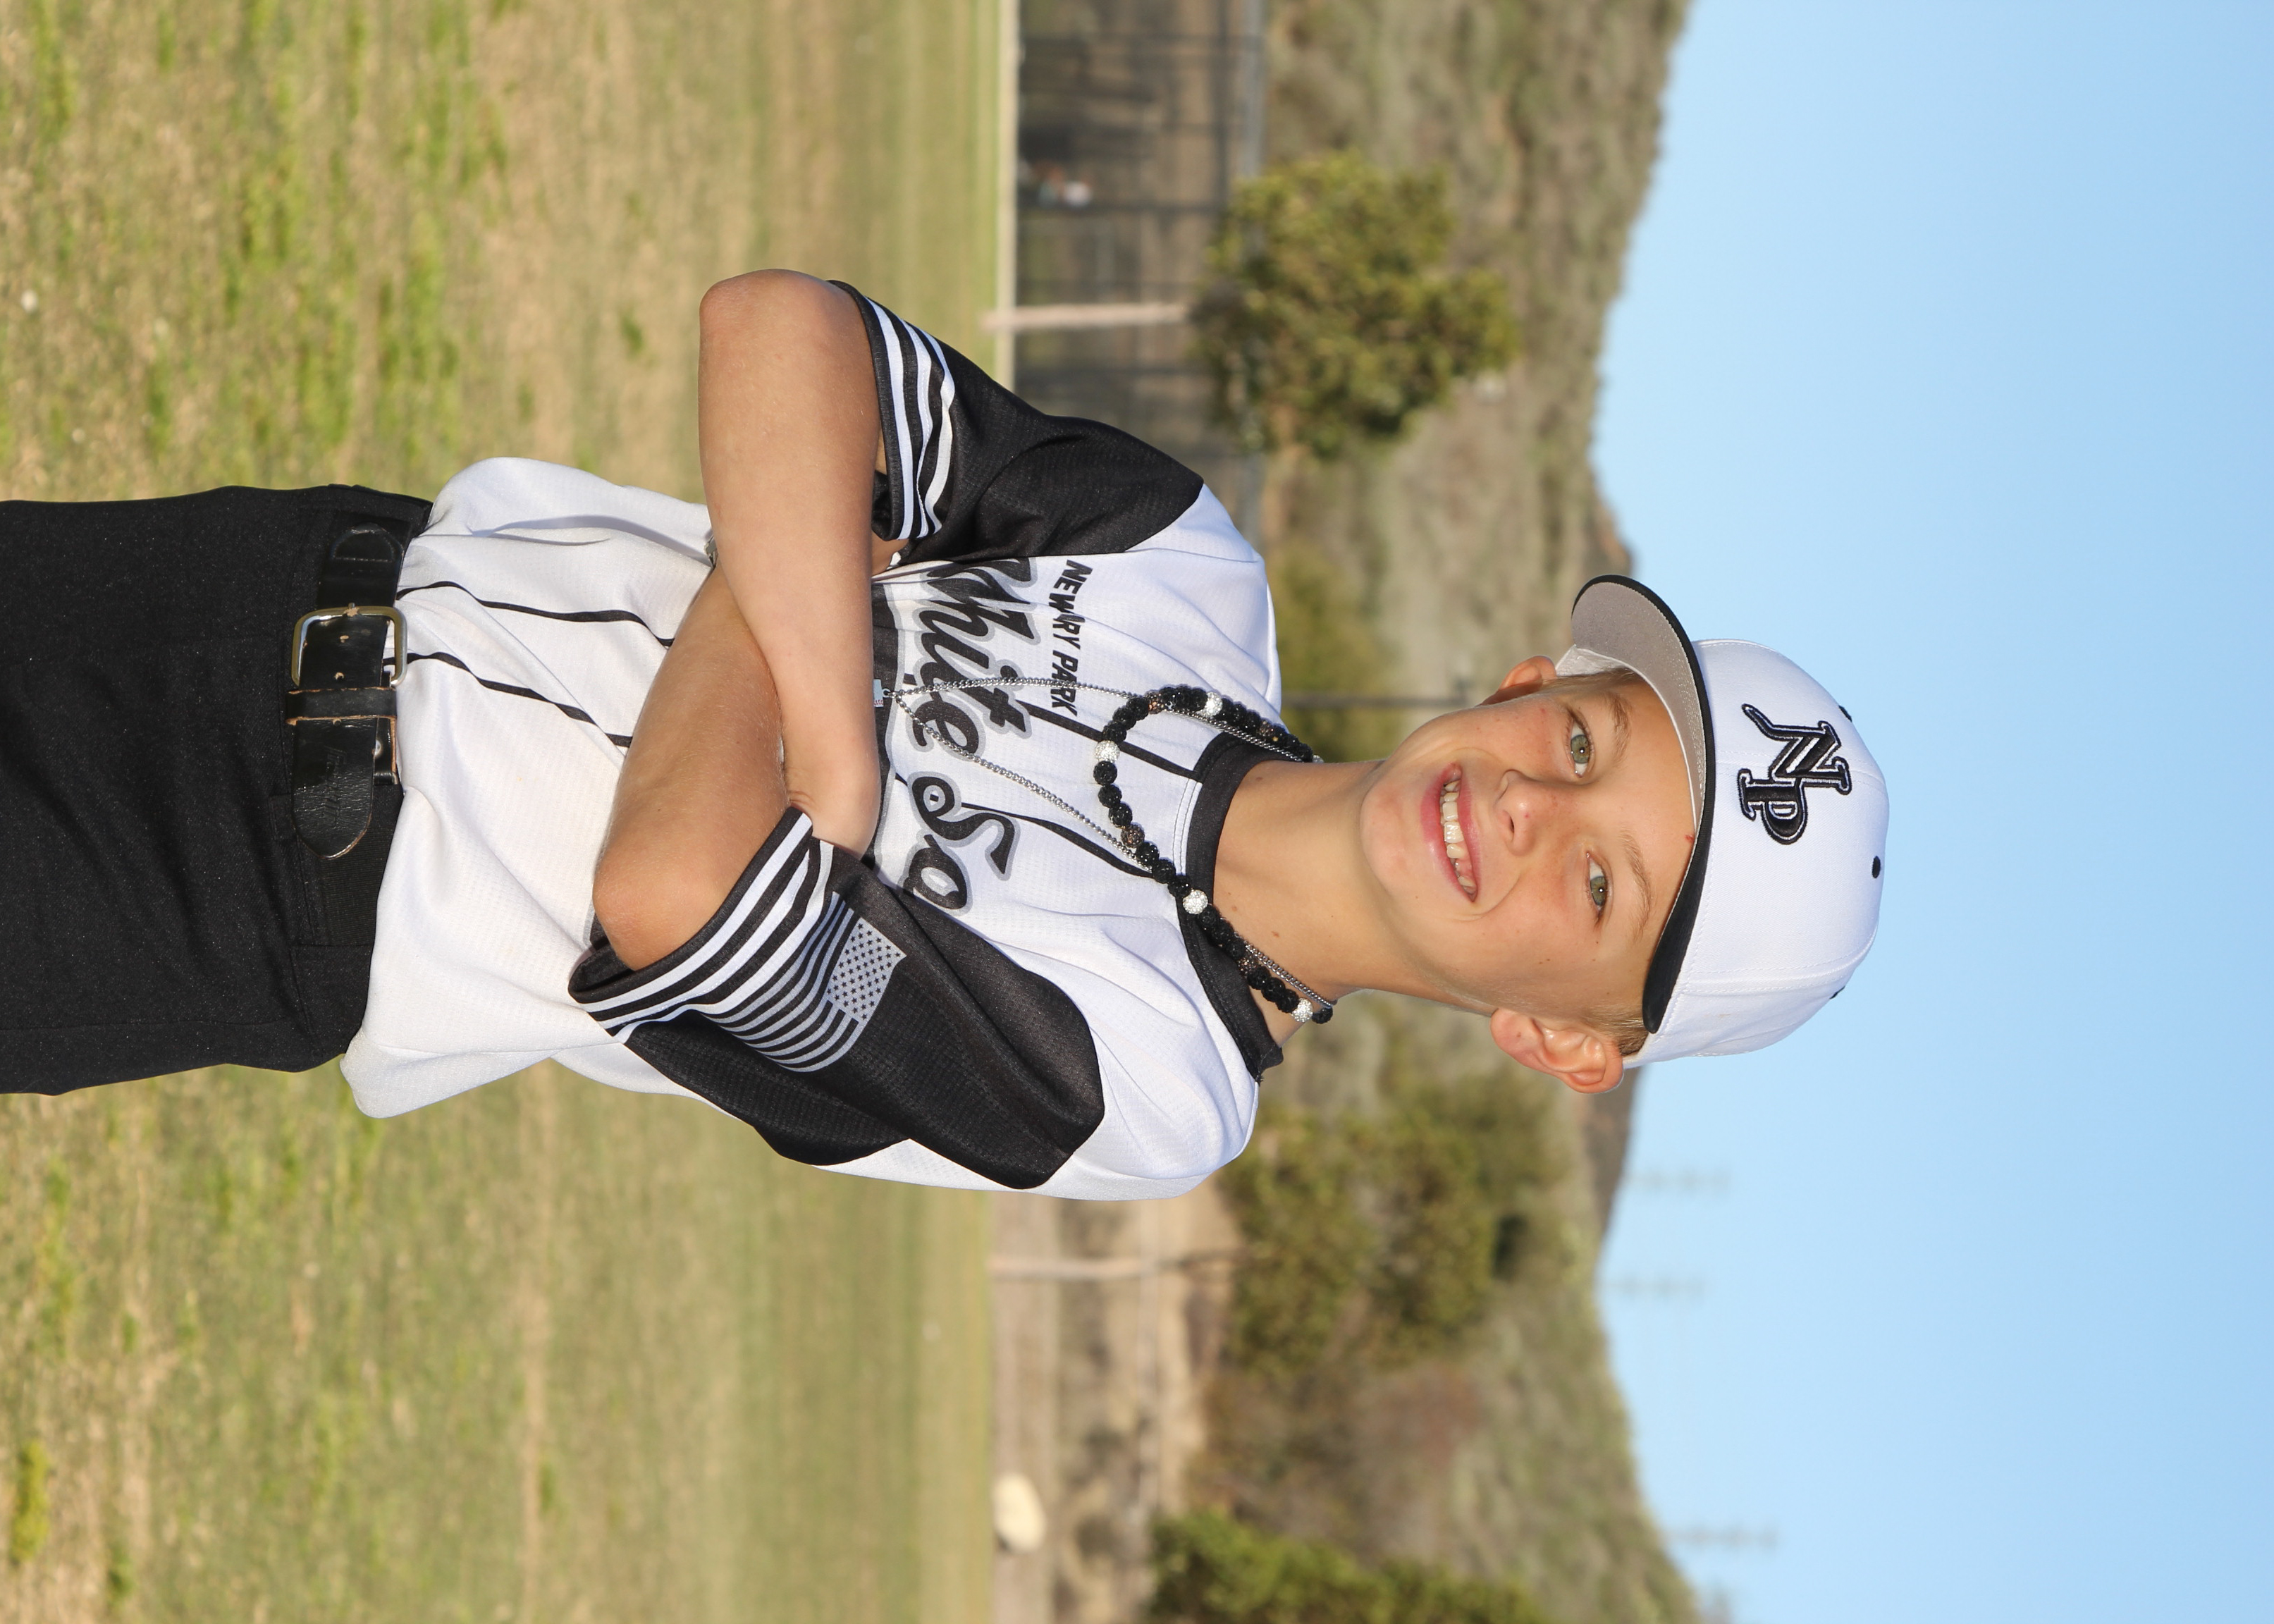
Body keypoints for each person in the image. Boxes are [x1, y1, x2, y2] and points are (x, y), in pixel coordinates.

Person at [0, 272, 1889, 1199]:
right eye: (1585, 748)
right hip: (281, 570)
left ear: (1566, 1042)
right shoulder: (1176, 559)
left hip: (234, 900)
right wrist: (821, 731)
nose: (1533, 810)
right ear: (1528, 687)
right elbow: (778, 332)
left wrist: (808, 542)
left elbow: (674, 895)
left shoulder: (1151, 1085)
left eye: (1600, 891)